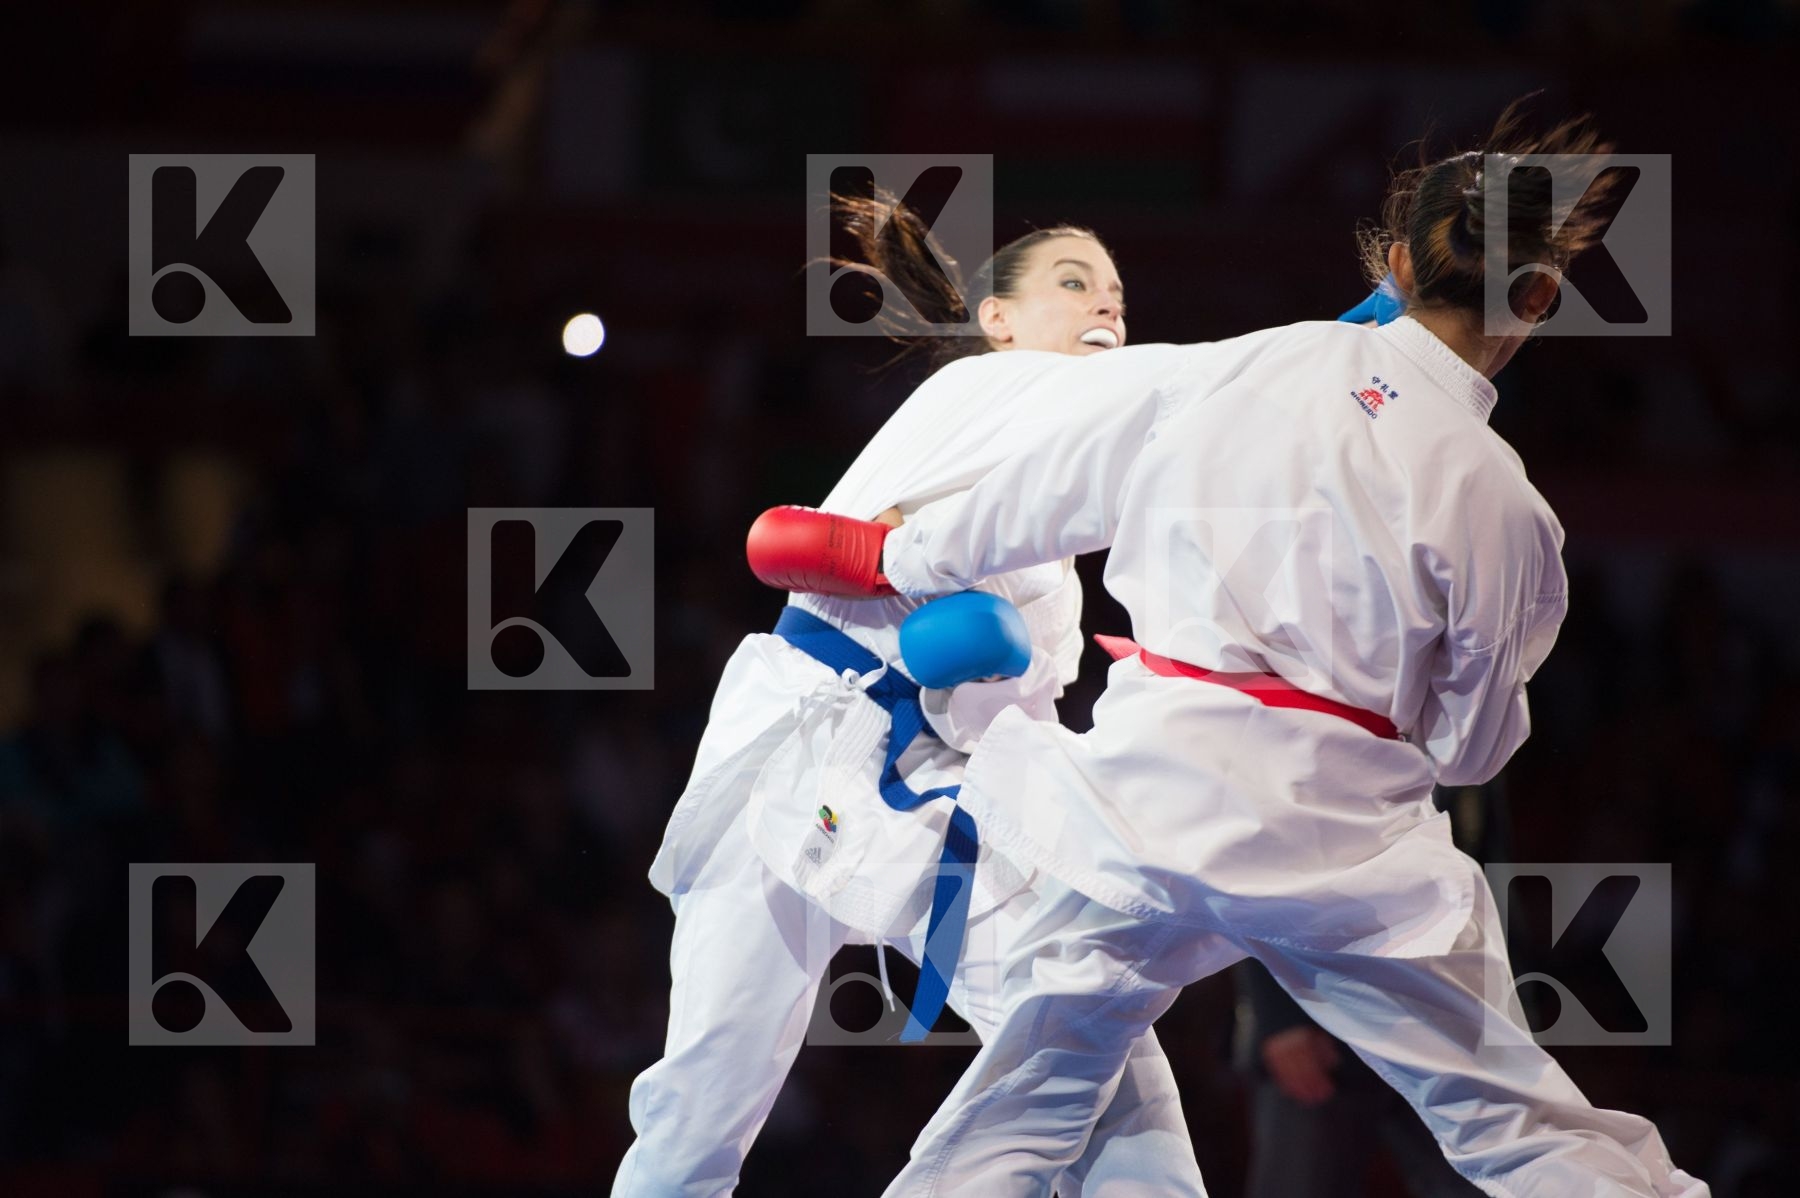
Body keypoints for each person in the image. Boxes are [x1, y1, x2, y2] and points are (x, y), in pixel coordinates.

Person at [770, 106, 1710, 1198]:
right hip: (1340, 842)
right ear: (1541, 298)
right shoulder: (1506, 506)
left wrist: (895, 554)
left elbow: (1050, 489)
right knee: (1517, 1122)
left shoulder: (1245, 365)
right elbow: (1470, 748)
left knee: (1028, 1095)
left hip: (1145, 794)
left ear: (1398, 260)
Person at [615, 196, 1211, 1197]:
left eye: (1117, 295)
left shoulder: (1056, 538)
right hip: (802, 750)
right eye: (1074, 284)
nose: (1106, 306)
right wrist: (1370, 337)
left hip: (920, 789)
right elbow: (1204, 385)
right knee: (702, 1100)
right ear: (999, 321)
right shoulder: (994, 387)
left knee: (1086, 1019)